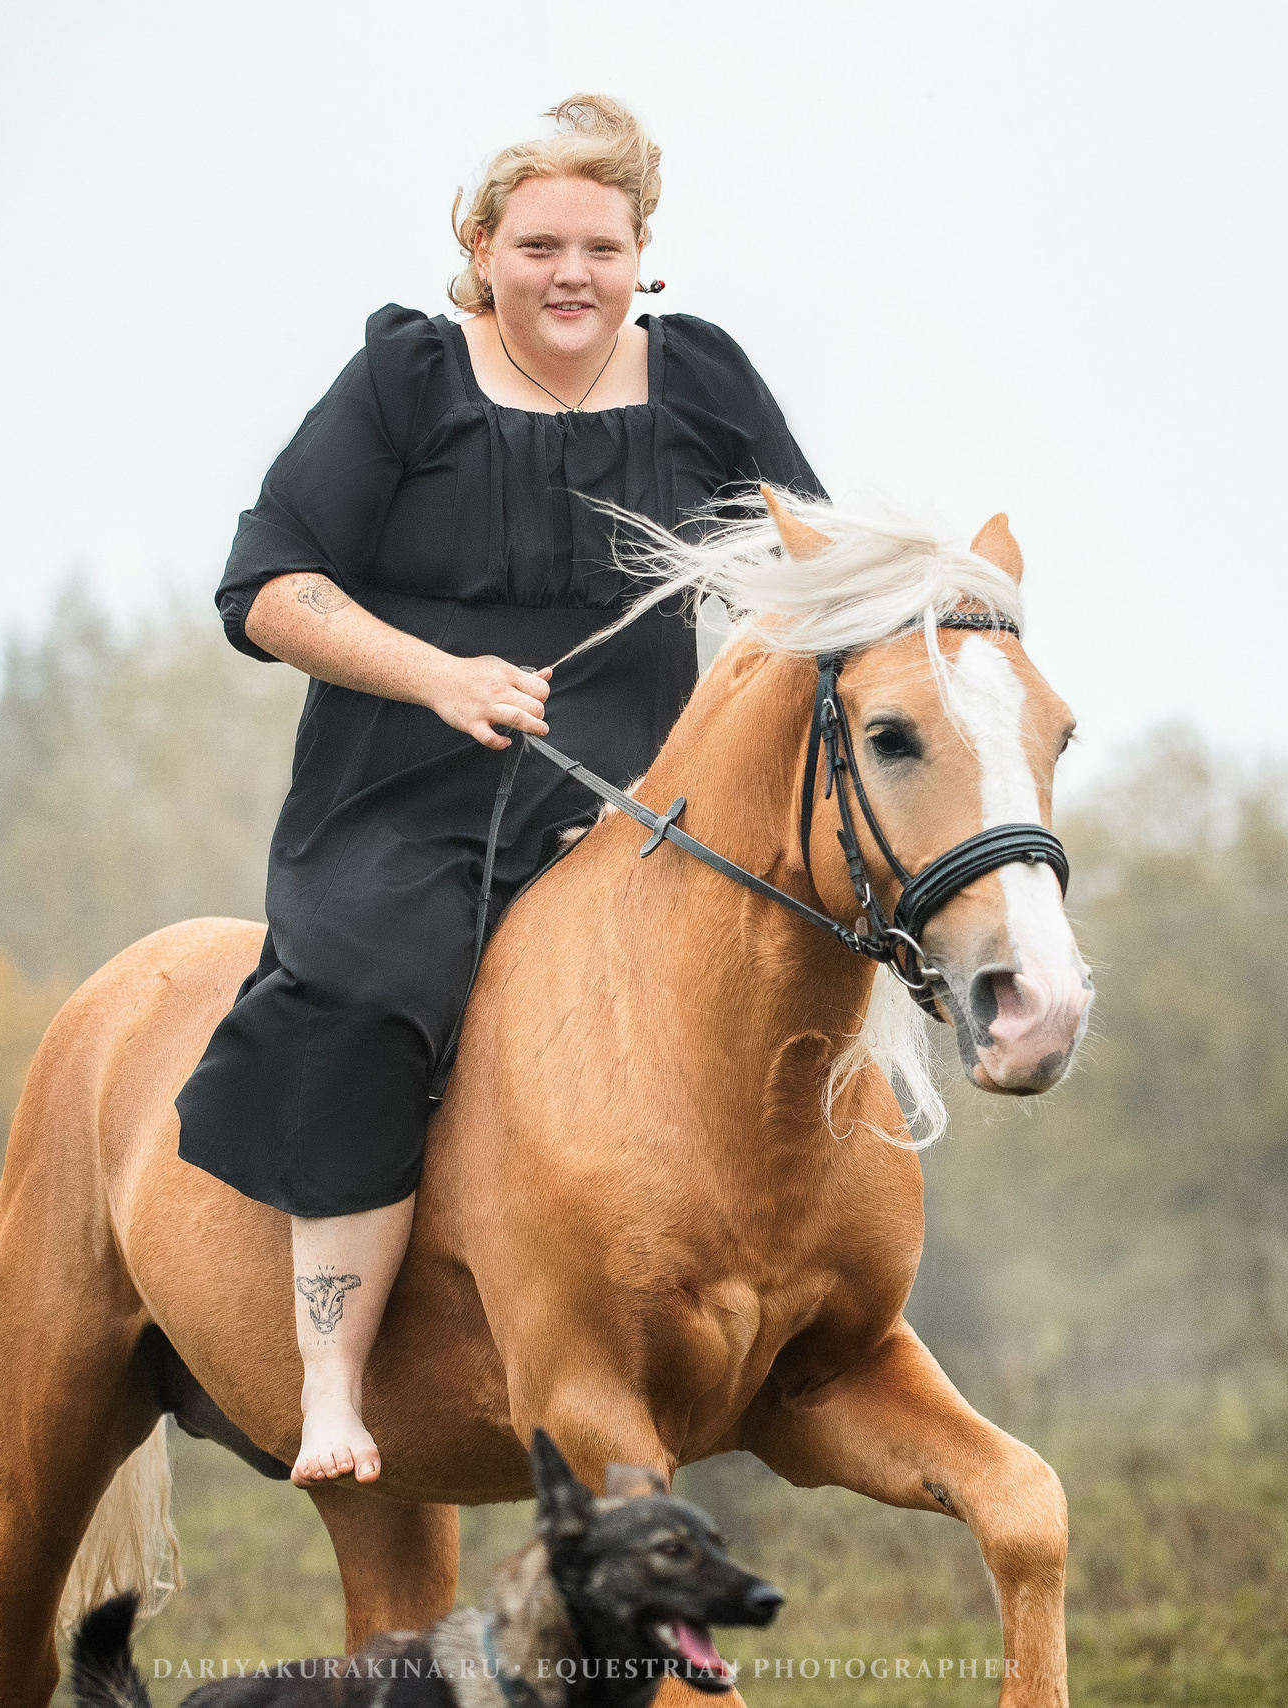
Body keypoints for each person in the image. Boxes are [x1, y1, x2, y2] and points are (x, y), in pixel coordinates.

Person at [175, 94, 826, 1487]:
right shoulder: (407, 382)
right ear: (480, 245)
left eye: (601, 242)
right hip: (400, 806)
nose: (570, 272)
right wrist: (437, 676)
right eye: (538, 243)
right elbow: (267, 591)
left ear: (644, 251)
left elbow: (805, 572)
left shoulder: (702, 379)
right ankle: (335, 1385)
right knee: (371, 989)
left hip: (639, 816)